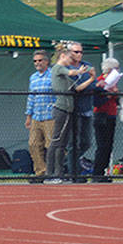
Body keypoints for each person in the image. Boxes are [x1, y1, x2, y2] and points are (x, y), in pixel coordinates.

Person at [44, 42, 77, 183]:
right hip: (61, 109)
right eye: (70, 59)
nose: (71, 62)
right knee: (56, 141)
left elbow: (77, 86)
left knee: (62, 143)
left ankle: (59, 173)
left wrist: (92, 78)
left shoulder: (64, 75)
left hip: (68, 110)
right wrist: (80, 70)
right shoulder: (58, 68)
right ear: (62, 56)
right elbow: (69, 72)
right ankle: (49, 174)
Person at [66, 42, 96, 182]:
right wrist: (89, 80)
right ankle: (74, 174)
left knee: (86, 142)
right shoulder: (66, 68)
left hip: (87, 109)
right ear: (69, 53)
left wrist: (95, 83)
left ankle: (70, 163)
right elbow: (76, 87)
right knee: (74, 143)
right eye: (76, 52)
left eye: (81, 52)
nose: (79, 54)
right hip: (74, 110)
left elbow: (93, 85)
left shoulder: (87, 65)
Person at [24, 49, 54, 179]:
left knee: (51, 145)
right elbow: (31, 97)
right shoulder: (33, 77)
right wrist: (28, 116)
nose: (37, 63)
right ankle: (41, 172)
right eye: (35, 61)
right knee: (34, 144)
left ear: (46, 61)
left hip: (50, 116)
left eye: (40, 60)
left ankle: (53, 171)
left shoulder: (53, 74)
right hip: (36, 115)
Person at [91, 56, 121, 181]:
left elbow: (118, 101)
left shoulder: (113, 83)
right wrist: (108, 95)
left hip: (111, 115)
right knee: (102, 145)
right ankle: (97, 173)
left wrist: (116, 93)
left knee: (108, 145)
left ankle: (102, 172)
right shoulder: (99, 82)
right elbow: (96, 102)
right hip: (101, 115)